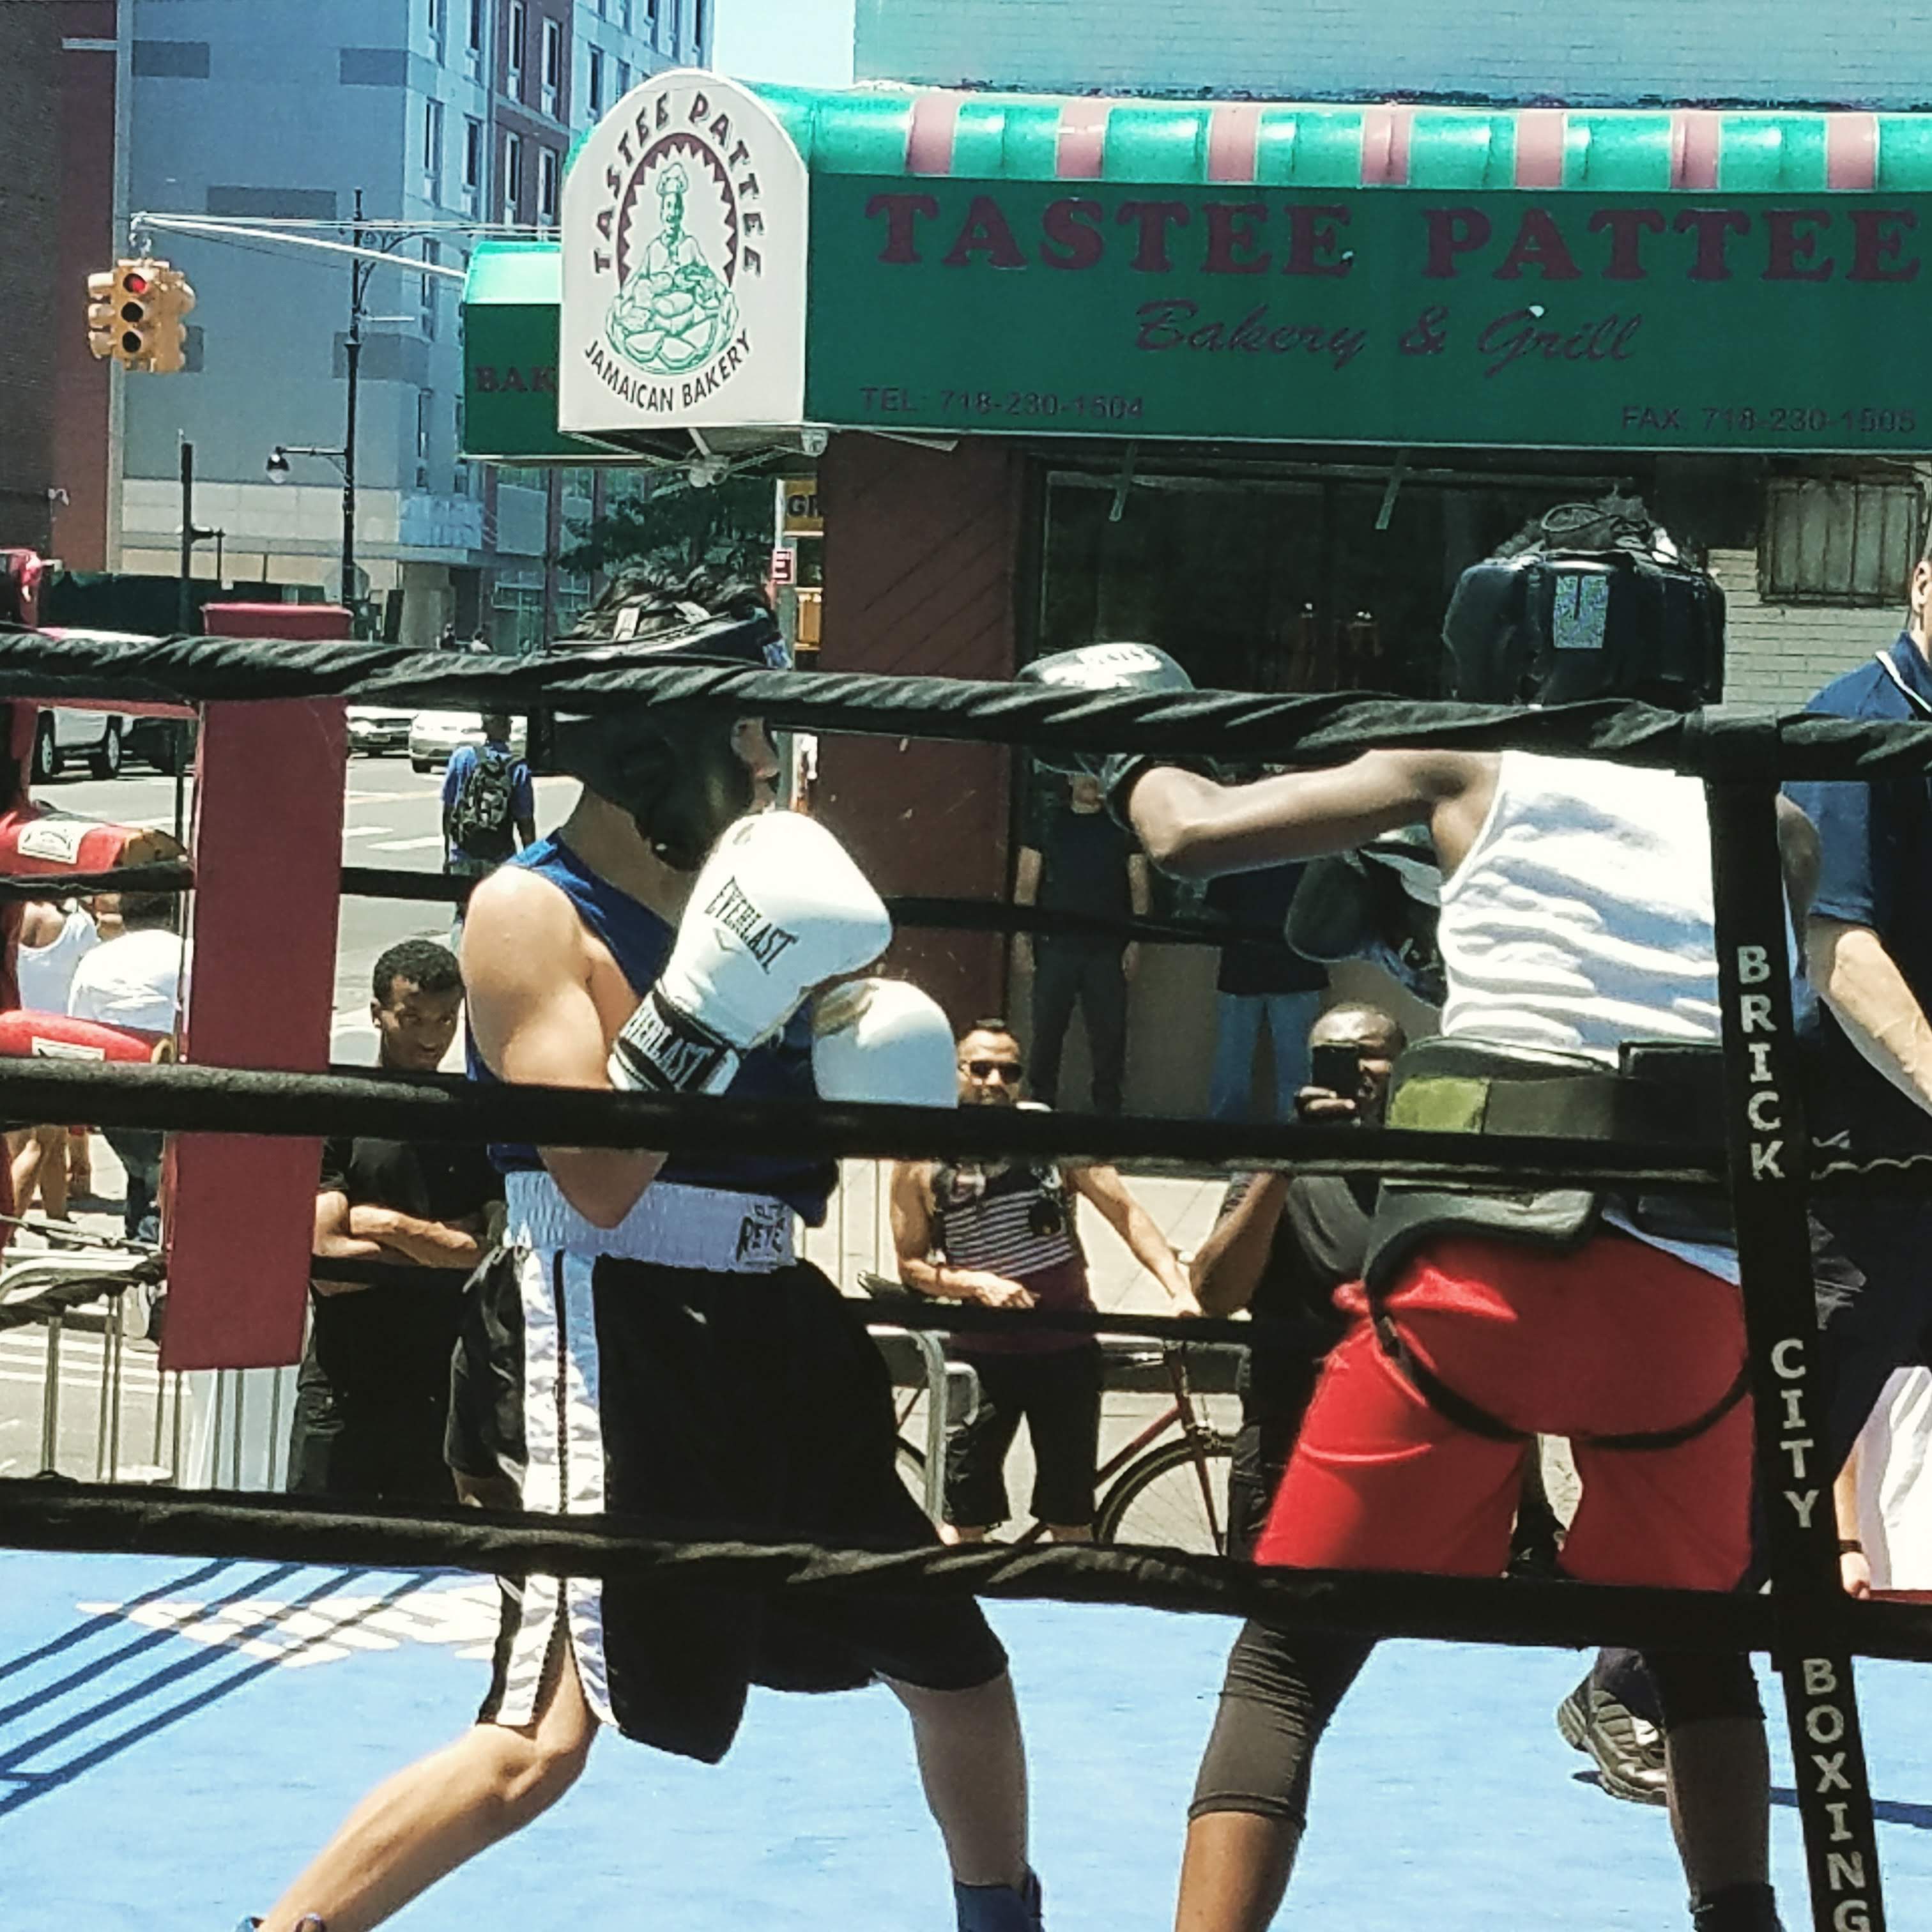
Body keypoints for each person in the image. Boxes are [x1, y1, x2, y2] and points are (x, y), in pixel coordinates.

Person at [1026, 507, 1795, 1932]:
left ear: (1506, 633)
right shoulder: (1778, 819)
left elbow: (1190, 838)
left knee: (1283, 1661)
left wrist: (1127, 742)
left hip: (1484, 1279)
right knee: (1700, 1658)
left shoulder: (1462, 761)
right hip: (1692, 1302)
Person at [243, 574, 1042, 1932]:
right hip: (601, 1321)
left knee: (956, 1664)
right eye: (743, 729)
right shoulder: (528, 911)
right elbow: (599, 1178)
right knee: (536, 1738)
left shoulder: (760, 896)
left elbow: (822, 1148)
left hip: (771, 1319)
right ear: (658, 741)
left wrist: (868, 1059)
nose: (766, 760)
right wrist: (714, 999)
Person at [890, 1017, 1199, 1544]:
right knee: (963, 1521)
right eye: (979, 1069)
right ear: (954, 1071)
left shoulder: (1050, 1136)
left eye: (1008, 1071)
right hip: (981, 1356)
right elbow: (911, 1266)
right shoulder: (921, 1155)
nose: (994, 1082)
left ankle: (1066, 1596)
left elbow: (1125, 1212)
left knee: (1071, 1518)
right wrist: (977, 1285)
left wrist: (1178, 1290)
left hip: (1066, 1348)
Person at [287, 940, 502, 1505]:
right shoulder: (343, 1108)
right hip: (342, 1390)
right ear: (377, 1013)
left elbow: (492, 1256)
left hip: (444, 1396)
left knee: (433, 1554)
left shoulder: (476, 1120)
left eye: (446, 1019)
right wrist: (445, 1246)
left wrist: (381, 1224)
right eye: (413, 1018)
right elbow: (327, 1265)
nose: (432, 1037)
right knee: (314, 1547)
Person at [1189, 1003, 1402, 1557]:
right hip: (1287, 1446)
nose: (1356, 1069)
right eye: (1335, 1057)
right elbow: (1216, 1294)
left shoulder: (1427, 1171)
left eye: (1370, 1054)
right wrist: (1287, 1162)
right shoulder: (1275, 1166)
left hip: (1401, 1448)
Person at [1013, 767, 1149, 1113]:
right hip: (1054, 948)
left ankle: (1107, 1114)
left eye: (1097, 775)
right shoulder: (1047, 824)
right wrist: (1021, 937)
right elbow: (1026, 884)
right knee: (1046, 1034)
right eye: (1082, 774)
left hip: (1107, 951)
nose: (1091, 782)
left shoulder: (1122, 828)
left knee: (1110, 1038)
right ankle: (1041, 1107)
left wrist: (1136, 941)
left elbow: (1139, 885)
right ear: (1070, 780)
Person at [67, 889, 188, 1241]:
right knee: (161, 1179)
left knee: (141, 1175)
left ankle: (140, 1245)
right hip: (177, 1082)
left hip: (116, 1087)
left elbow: (79, 1027)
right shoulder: (189, 953)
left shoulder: (96, 959)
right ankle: (151, 1246)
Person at [1202, 863, 1326, 1123]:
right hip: (1289, 967)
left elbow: (1214, 913)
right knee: (1294, 1066)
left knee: (1234, 1063)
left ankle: (1225, 1134)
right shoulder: (1311, 851)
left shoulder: (1236, 850)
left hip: (1250, 965)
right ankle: (1295, 1132)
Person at [5, 895, 100, 1220]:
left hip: (12, 1031)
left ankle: (58, 1222)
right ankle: (8, 1230)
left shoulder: (10, 912)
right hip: (59, 1043)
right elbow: (93, 981)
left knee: (39, 1142)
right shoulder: (78, 924)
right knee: (42, 1143)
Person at [441, 710, 535, 887]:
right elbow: (525, 822)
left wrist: (448, 854)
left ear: (484, 727)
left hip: (463, 854)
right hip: (499, 857)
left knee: (463, 903)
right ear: (507, 727)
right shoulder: (517, 767)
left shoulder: (462, 757)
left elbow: (449, 810)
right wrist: (531, 864)